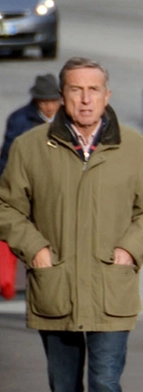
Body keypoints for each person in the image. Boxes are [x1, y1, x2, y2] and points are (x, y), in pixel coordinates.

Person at [0, 57, 143, 392]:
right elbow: (7, 208)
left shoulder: (134, 148)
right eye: (75, 90)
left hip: (111, 288)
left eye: (93, 89)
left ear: (107, 95)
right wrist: (35, 249)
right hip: (54, 289)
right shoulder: (30, 147)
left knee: (104, 386)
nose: (84, 98)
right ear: (62, 95)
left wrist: (130, 251)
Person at [0, 74, 61, 301]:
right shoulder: (20, 120)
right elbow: (7, 158)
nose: (48, 106)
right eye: (43, 102)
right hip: (28, 190)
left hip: (57, 191)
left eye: (52, 101)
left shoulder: (68, 118)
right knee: (30, 241)